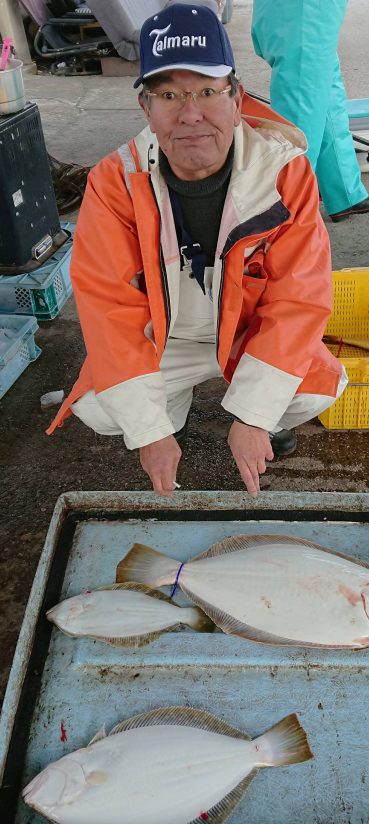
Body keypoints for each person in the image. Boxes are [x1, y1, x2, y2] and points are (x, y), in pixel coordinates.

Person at [48, 2, 347, 497]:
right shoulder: (113, 182)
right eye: (169, 94)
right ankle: (174, 408)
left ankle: (259, 415)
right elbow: (109, 310)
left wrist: (253, 417)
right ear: (146, 107)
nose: (190, 114)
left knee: (317, 387)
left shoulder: (285, 173)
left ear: (235, 97)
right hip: (165, 342)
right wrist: (151, 433)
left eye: (207, 91)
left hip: (246, 336)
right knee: (103, 409)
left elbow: (299, 301)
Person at [251, 0, 369, 222]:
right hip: (304, 10)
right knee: (302, 104)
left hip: (304, 12)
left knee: (325, 90)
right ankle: (290, 212)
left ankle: (344, 192)